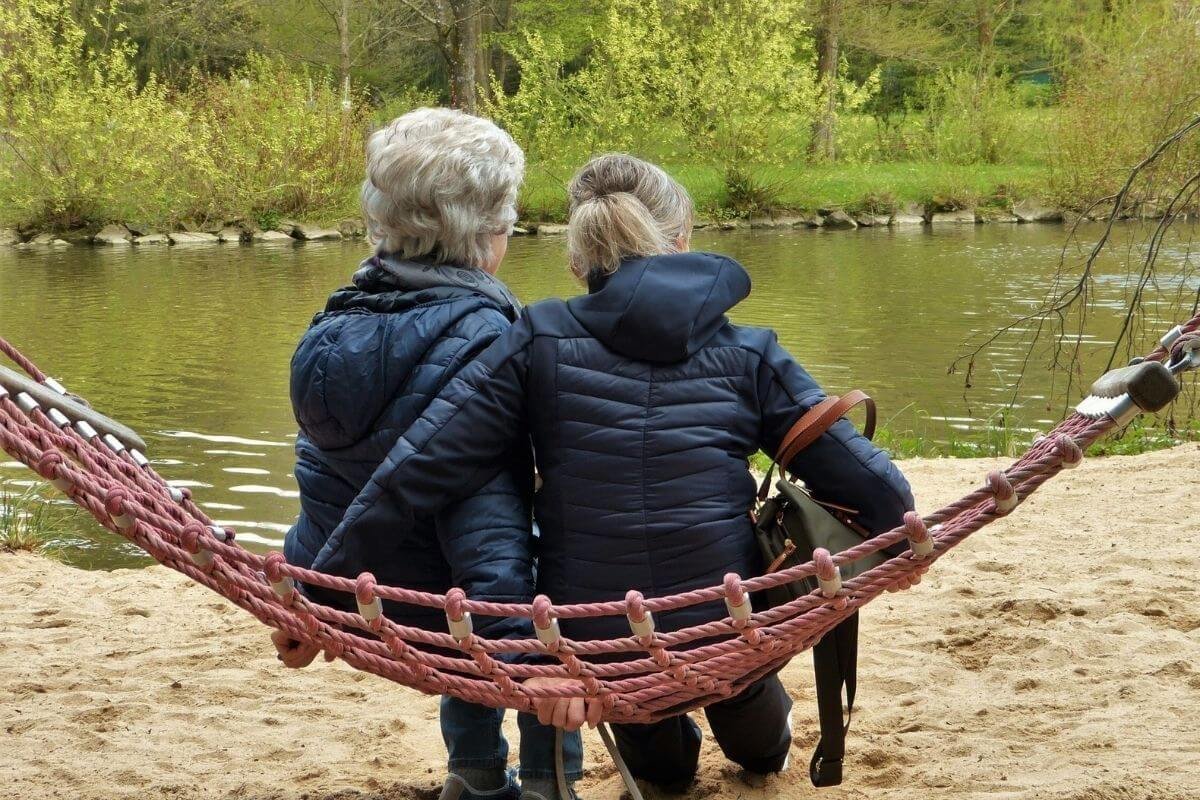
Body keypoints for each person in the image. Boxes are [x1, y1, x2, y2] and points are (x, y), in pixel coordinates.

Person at [310, 154, 913, 792]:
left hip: (600, 643)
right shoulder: (750, 351)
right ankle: (759, 738)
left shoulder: (536, 337)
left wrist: (319, 592)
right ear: (681, 242)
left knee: (661, 765)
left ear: (578, 259)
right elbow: (869, 483)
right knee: (747, 702)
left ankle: (669, 749)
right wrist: (904, 539)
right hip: (725, 620)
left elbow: (421, 469)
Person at [271, 107, 582, 800]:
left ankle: (471, 773)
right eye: (507, 221)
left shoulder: (331, 325)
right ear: (487, 236)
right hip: (460, 611)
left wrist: (308, 594)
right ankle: (546, 780)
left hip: (366, 597)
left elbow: (325, 479)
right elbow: (489, 521)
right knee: (549, 581)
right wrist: (528, 662)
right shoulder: (491, 338)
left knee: (470, 586)